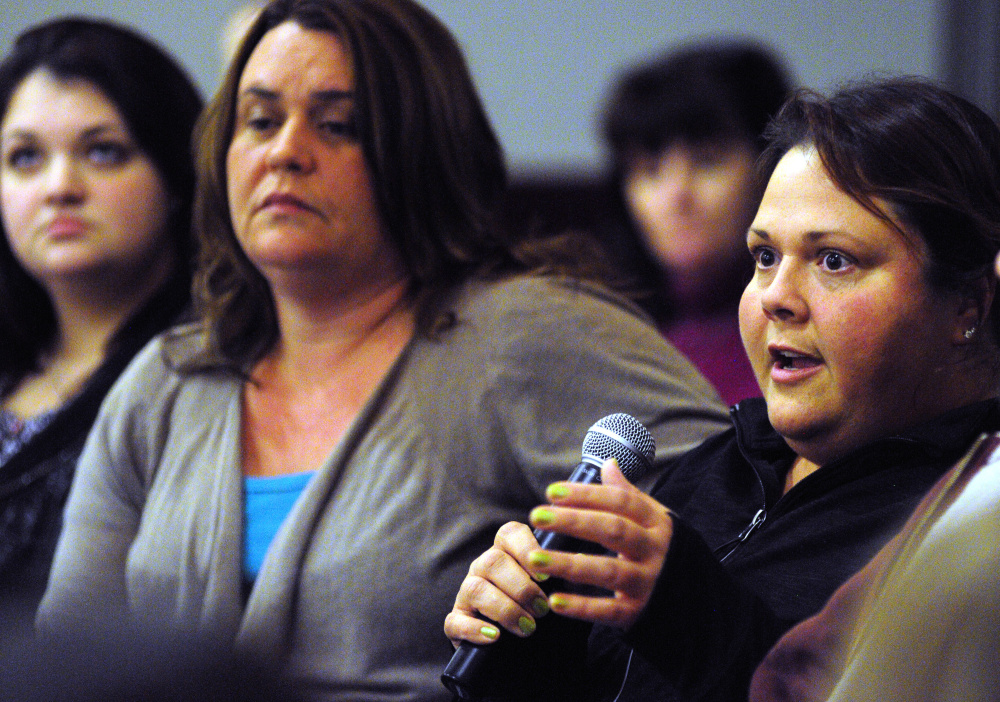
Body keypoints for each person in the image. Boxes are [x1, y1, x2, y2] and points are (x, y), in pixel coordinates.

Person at [36, 1, 730, 700]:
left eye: (338, 125)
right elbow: (67, 662)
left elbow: (757, 527)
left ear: (420, 152)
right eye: (261, 120)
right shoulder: (167, 379)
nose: (286, 151)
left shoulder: (528, 334)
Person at [444, 77, 1000, 702]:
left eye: (833, 261)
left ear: (966, 304)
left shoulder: (972, 520)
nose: (775, 298)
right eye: (764, 257)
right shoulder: (718, 466)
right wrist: (534, 656)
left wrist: (692, 616)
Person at [0, 17, 201, 626]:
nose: (60, 187)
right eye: (25, 157)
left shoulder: (206, 375)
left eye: (103, 152)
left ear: (174, 178)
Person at [597, 39, 791, 405]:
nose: (676, 195)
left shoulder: (810, 336)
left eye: (707, 161)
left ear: (773, 168)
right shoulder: (603, 333)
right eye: (650, 170)